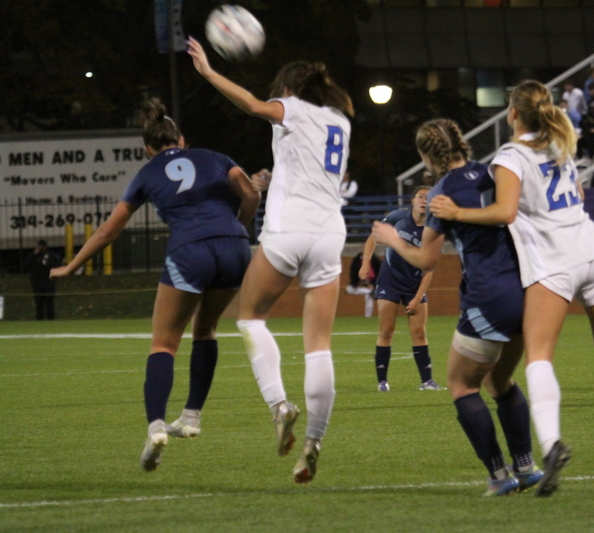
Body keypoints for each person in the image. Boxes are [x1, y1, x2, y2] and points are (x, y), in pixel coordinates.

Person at [430, 80, 594, 496]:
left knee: (538, 359)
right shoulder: (559, 142)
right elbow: (580, 194)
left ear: (512, 113)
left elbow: (505, 211)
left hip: (556, 261)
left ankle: (551, 446)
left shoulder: (511, 156)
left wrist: (457, 210)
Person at [50, 98, 261, 471]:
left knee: (164, 342)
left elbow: (109, 230)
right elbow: (249, 191)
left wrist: (72, 266)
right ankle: (192, 416)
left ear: (147, 148)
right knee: (207, 330)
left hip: (190, 251)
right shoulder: (214, 157)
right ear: (181, 139)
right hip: (234, 247)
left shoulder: (146, 174)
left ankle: (157, 427)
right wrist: (240, 227)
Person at [187, 38, 354, 484]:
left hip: (287, 230)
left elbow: (253, 106)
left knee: (250, 317)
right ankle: (313, 444)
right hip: (328, 233)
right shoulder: (339, 120)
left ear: (290, 88)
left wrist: (208, 72)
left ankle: (280, 405)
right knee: (318, 344)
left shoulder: (292, 108)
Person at [372, 118, 544, 496]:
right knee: (499, 380)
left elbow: (425, 260)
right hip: (527, 291)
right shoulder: (493, 174)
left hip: (488, 295)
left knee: (461, 384)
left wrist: (391, 239)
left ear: (425, 155)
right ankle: (527, 467)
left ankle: (499, 477)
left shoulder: (442, 192)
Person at [359, 186, 441, 392]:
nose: (424, 201)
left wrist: (417, 297)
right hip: (389, 282)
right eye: (420, 197)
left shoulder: (434, 229)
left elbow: (429, 269)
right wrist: (365, 263)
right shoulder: (397, 217)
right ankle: (382, 382)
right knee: (386, 331)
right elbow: (373, 237)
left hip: (414, 285)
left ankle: (427, 381)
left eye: (428, 198)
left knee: (419, 332)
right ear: (412, 200)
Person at [27, 239, 61, 320]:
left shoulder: (51, 256)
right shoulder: (34, 256)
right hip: (37, 282)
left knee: (49, 303)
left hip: (48, 282)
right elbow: (27, 265)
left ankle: (50, 319)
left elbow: (56, 265)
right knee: (39, 303)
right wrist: (34, 254)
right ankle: (39, 319)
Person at [345, 251, 380, 318]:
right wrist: (362, 285)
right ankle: (370, 292)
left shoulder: (374, 266)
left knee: (369, 299)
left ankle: (368, 316)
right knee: (348, 289)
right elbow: (355, 281)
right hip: (363, 288)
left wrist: (372, 285)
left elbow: (374, 279)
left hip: (372, 287)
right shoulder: (357, 266)